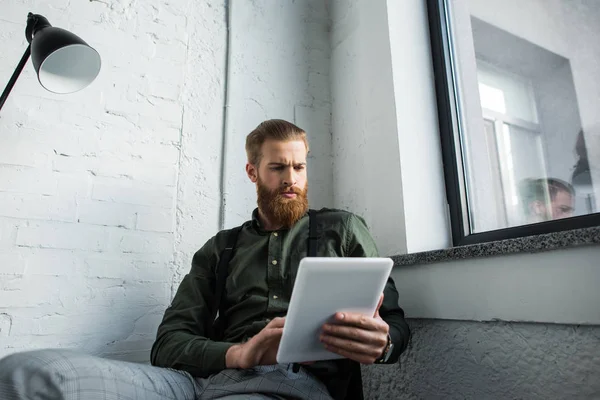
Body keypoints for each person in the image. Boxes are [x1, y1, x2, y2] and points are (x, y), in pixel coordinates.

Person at [0, 119, 410, 400]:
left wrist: (384, 341)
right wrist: (238, 354)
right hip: (200, 382)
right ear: (252, 173)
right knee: (28, 372)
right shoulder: (220, 248)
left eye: (299, 167)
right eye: (278, 167)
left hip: (290, 385)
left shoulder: (343, 229)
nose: (291, 180)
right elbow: (168, 345)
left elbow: (395, 326)